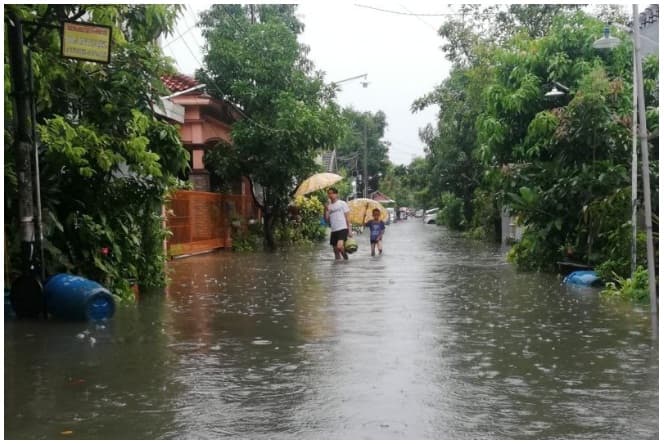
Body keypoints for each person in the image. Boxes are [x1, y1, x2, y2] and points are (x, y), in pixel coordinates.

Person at [324, 187, 352, 260]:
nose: (330, 195)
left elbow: (347, 217)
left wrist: (349, 230)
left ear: (336, 194)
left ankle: (346, 259)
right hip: (334, 230)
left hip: (342, 228)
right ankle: (338, 269)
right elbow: (326, 220)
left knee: (340, 247)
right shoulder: (328, 206)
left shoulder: (342, 203)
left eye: (332, 193)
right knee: (336, 251)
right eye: (329, 193)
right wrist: (325, 209)